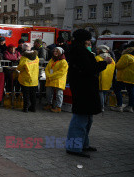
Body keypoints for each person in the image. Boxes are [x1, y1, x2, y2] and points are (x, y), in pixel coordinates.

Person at [65, 29, 110, 158]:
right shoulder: (79, 51)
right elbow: (89, 69)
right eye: (88, 39)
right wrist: (103, 63)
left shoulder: (79, 50)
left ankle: (83, 144)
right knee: (80, 119)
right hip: (83, 89)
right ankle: (74, 147)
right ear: (83, 39)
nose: (90, 41)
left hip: (85, 88)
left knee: (87, 118)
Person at [44, 47, 69, 113]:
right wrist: (48, 75)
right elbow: (47, 69)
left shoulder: (64, 62)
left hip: (58, 80)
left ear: (60, 53)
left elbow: (61, 72)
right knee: (48, 93)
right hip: (51, 79)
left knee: (59, 94)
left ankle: (58, 107)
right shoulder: (51, 60)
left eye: (57, 51)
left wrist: (50, 76)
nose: (55, 52)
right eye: (54, 51)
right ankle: (49, 104)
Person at [16, 43, 39, 112]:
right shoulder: (36, 57)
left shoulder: (24, 58)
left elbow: (20, 68)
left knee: (26, 95)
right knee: (33, 95)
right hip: (34, 79)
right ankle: (33, 108)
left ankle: (25, 108)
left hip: (26, 79)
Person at [112, 46, 134, 112]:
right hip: (131, 78)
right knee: (131, 92)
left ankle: (119, 106)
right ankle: (130, 107)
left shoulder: (126, 56)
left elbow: (119, 66)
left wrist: (116, 63)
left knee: (117, 89)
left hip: (123, 77)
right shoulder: (133, 57)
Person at [95, 45, 115, 111]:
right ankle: (102, 105)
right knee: (104, 93)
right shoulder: (111, 59)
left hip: (100, 78)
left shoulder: (98, 58)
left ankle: (101, 107)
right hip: (108, 79)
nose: (97, 50)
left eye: (98, 49)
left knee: (100, 93)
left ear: (101, 50)